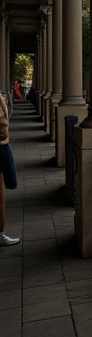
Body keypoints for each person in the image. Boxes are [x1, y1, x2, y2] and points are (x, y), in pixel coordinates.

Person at [0, 93, 19, 245]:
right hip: (2, 149)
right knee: (5, 189)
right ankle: (0, 234)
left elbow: (6, 118)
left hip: (4, 147)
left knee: (10, 184)